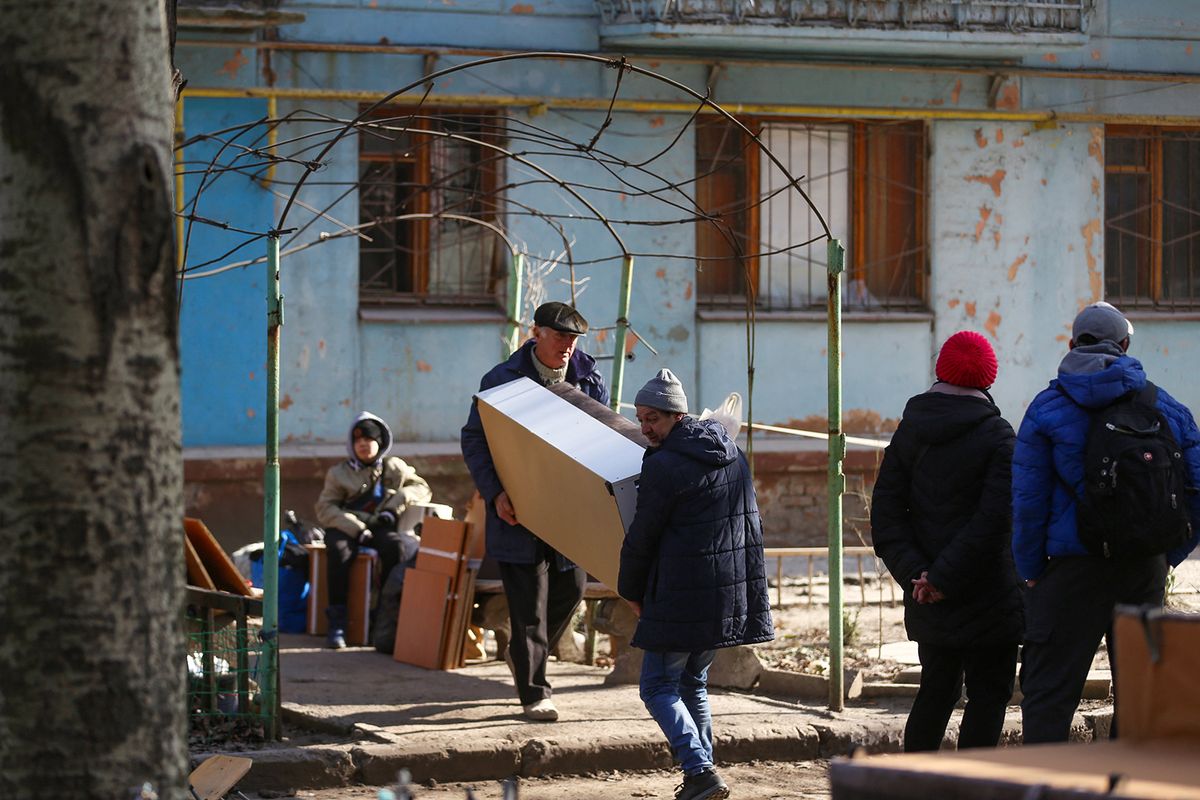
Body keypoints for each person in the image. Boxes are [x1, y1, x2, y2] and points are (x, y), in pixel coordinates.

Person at [1012, 302, 1200, 743]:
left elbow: (1027, 500)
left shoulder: (1046, 409)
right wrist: (1165, 556)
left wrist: (1031, 570)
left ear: (1073, 343)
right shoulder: (1165, 406)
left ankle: (1045, 788)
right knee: (1140, 697)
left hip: (1070, 571)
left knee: (1050, 695)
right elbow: (1197, 489)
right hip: (1142, 570)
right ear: (1126, 345)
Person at [618, 369, 773, 800]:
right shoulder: (732, 452)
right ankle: (702, 776)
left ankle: (701, 771)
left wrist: (630, 590)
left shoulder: (665, 465)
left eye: (653, 419)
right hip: (725, 593)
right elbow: (751, 525)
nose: (645, 428)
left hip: (681, 592)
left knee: (657, 687)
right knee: (693, 683)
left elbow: (642, 535)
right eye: (641, 418)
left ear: (676, 416)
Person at [871, 331, 1022, 752]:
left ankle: (914, 786)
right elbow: (995, 522)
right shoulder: (1000, 438)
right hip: (987, 595)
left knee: (936, 692)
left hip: (927, 596)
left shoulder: (909, 432)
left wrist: (919, 576)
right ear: (988, 378)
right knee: (989, 697)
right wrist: (942, 576)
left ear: (941, 371)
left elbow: (885, 516)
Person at [460, 301, 609, 722]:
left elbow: (600, 438)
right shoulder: (502, 379)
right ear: (536, 333)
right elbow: (475, 440)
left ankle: (522, 654)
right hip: (517, 510)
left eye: (574, 339)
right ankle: (535, 693)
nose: (567, 346)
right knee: (528, 605)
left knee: (572, 590)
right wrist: (495, 494)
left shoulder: (588, 378)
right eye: (560, 336)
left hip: (568, 509)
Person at [315, 412, 433, 650]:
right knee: (339, 552)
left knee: (396, 548)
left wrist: (393, 507)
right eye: (358, 441)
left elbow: (421, 487)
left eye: (369, 440)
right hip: (346, 527)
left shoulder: (394, 467)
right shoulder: (338, 473)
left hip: (379, 525)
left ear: (380, 443)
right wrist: (357, 530)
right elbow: (325, 508)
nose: (363, 445)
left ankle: (383, 619)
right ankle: (337, 624)